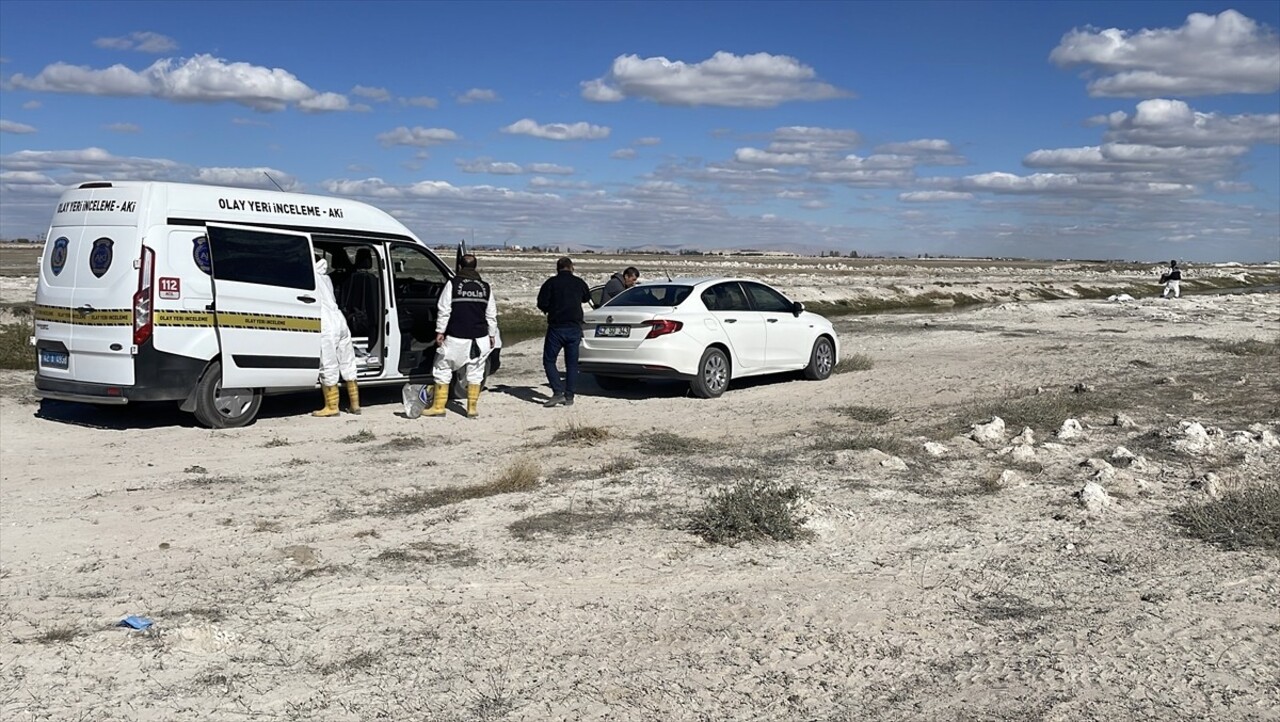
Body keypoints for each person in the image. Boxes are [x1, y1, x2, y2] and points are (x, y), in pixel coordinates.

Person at [422, 253, 498, 419]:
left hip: (457, 337)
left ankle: (439, 407)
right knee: (476, 372)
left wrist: (440, 331)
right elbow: (491, 314)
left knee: (442, 368)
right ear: (475, 267)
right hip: (480, 338)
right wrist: (492, 335)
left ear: (459, 267)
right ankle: (471, 409)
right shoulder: (485, 287)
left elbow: (444, 309)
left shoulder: (453, 284)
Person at [537, 256, 591, 407]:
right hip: (574, 327)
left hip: (557, 327)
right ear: (571, 267)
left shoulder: (551, 283)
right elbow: (587, 298)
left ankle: (557, 392)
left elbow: (541, 303)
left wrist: (549, 309)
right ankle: (569, 396)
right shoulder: (579, 282)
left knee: (549, 360)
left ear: (557, 268)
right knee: (572, 364)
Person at [313, 255, 360, 417]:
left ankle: (332, 406)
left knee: (328, 363)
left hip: (325, 322)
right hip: (339, 319)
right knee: (347, 360)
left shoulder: (313, 279)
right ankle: (355, 404)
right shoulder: (326, 278)